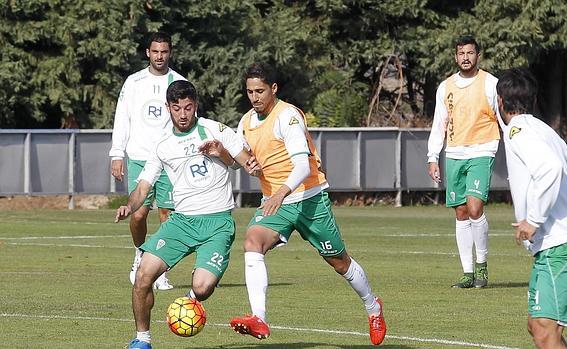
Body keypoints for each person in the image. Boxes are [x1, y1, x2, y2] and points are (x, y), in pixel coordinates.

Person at [228, 62, 387, 345]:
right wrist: (231, 157)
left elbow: (302, 166)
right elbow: (242, 160)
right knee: (252, 241)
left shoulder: (287, 116)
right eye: (250, 91)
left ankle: (373, 308)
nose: (254, 97)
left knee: (339, 262)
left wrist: (280, 193)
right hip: (275, 204)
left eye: (260, 91)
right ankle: (259, 318)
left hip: (309, 198)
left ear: (273, 89)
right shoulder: (246, 122)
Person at [116, 80, 260, 349]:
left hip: (217, 223)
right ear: (168, 108)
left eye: (188, 107)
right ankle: (142, 340)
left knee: (203, 288)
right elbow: (143, 186)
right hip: (181, 223)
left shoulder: (215, 129)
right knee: (143, 276)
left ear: (195, 106)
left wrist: (223, 153)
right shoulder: (162, 144)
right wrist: (130, 206)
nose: (183, 114)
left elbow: (246, 163)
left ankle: (188, 301)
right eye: (177, 108)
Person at [496, 67, 567, 349]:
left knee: (543, 329)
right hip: (563, 243)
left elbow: (549, 170)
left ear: (501, 101)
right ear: (533, 100)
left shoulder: (518, 130)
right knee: (538, 326)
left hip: (560, 247)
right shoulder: (546, 132)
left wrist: (533, 220)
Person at [109, 32, 186, 290]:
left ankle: (160, 267)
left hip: (169, 159)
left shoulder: (179, 81)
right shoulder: (134, 82)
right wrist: (117, 153)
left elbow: (189, 120)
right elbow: (123, 117)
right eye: (155, 51)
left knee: (168, 215)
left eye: (164, 51)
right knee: (139, 213)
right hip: (140, 157)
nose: (160, 56)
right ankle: (140, 254)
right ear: (148, 53)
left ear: (170, 53)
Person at [426, 35, 500, 288]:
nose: (465, 58)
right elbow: (439, 124)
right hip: (455, 153)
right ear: (456, 57)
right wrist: (432, 157)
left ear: (478, 55)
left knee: (475, 208)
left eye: (470, 53)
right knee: (460, 212)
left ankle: (482, 266)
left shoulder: (491, 84)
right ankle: (467, 272)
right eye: (461, 54)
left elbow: (502, 118)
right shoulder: (445, 87)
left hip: (482, 150)